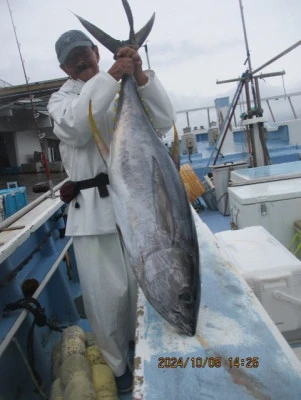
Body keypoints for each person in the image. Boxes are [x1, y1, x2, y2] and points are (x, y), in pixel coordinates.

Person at [47, 30, 174, 393]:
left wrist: (141, 77)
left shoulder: (123, 89)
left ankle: (151, 354)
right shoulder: (60, 101)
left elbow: (164, 123)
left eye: (86, 52)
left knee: (144, 286)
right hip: (92, 215)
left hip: (137, 206)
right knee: (106, 299)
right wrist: (114, 76)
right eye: (74, 58)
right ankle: (119, 368)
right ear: (64, 67)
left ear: (96, 54)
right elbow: (75, 128)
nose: (83, 60)